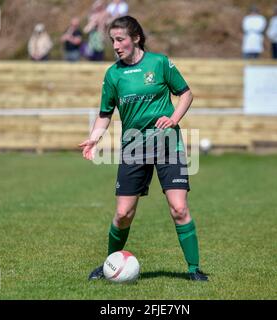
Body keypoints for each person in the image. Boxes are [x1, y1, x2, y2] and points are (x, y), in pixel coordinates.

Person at [79, 15, 208, 281]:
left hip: (167, 143)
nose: (115, 45)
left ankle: (194, 270)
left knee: (179, 208)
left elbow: (186, 94)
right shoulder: (113, 74)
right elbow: (105, 113)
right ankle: (109, 267)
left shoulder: (160, 63)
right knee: (123, 213)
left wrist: (174, 119)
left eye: (120, 39)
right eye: (112, 40)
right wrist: (94, 137)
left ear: (136, 38)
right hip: (133, 147)